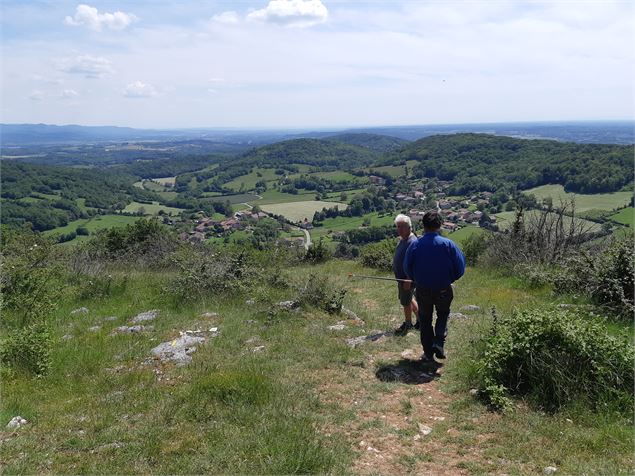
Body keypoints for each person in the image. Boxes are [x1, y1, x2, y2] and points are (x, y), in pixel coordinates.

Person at [404, 210, 465, 362]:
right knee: (443, 314)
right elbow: (460, 267)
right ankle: (438, 341)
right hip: (444, 288)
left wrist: (415, 278)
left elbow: (407, 267)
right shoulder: (449, 245)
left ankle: (428, 352)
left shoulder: (416, 245)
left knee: (425, 319)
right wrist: (450, 279)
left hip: (423, 289)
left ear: (423, 225)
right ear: (439, 225)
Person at [392, 214, 419, 335]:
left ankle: (408, 324)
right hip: (401, 279)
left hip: (406, 280)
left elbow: (415, 263)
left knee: (406, 302)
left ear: (409, 227)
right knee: (409, 299)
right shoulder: (403, 239)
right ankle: (420, 320)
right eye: (398, 226)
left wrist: (409, 279)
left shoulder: (412, 241)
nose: (399, 229)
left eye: (402, 226)